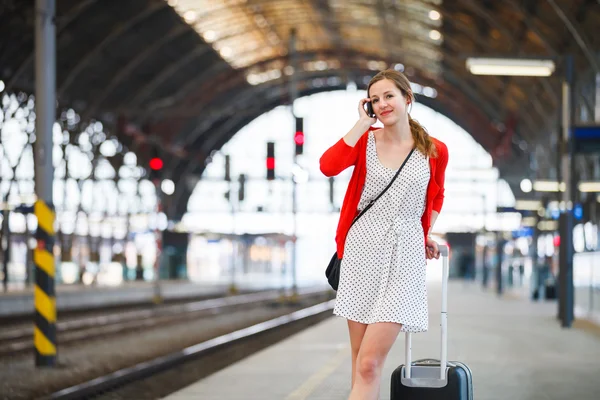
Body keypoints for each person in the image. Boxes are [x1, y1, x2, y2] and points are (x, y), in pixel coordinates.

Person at [319, 69, 448, 400]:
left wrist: (424, 233)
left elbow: (435, 195)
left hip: (405, 257)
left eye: (389, 96)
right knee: (360, 363)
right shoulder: (365, 141)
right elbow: (328, 166)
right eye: (374, 99)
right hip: (361, 253)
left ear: (407, 98)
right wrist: (362, 123)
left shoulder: (435, 150)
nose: (382, 104)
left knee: (369, 364)